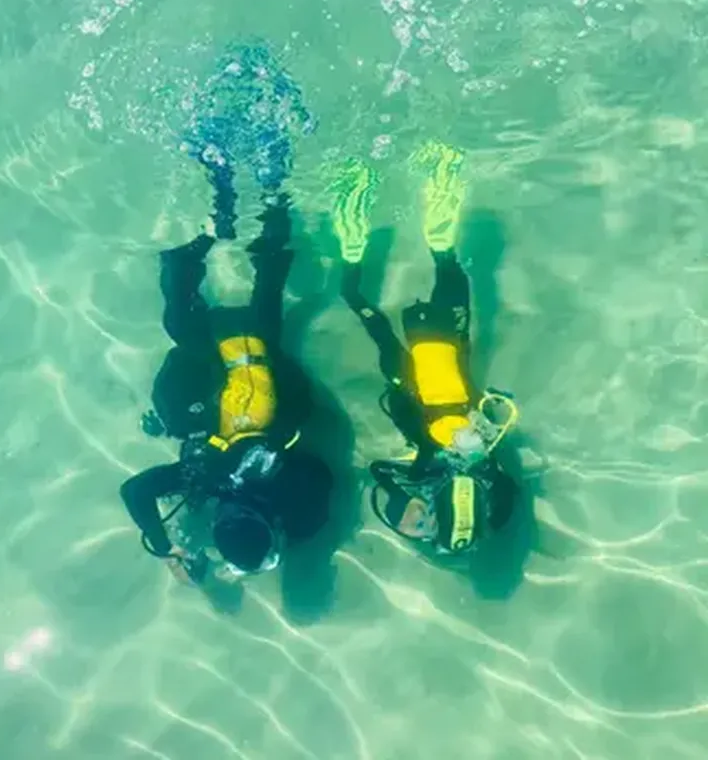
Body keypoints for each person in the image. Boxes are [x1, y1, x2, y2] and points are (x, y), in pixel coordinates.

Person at [120, 46, 331, 589]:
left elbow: (321, 472)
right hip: (215, 350)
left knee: (266, 270)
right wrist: (163, 547)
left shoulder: (265, 491)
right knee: (187, 297)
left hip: (256, 345)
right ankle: (219, 196)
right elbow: (136, 492)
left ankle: (264, 179)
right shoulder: (206, 482)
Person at [330, 143, 520, 558]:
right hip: (424, 362)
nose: (426, 519)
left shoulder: (467, 466)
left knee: (443, 264)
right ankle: (363, 185)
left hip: (431, 357)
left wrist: (418, 506)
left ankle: (422, 169)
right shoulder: (459, 467)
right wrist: (418, 511)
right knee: (376, 290)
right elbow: (380, 471)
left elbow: (505, 499)